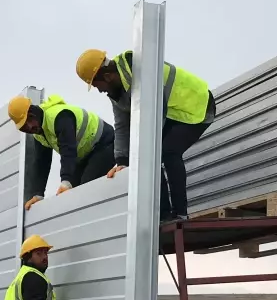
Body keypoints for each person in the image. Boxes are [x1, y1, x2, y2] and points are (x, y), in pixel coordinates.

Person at [74, 49, 217, 220]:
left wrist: (145, 147)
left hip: (198, 106)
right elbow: (121, 126)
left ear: (107, 76)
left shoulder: (143, 71)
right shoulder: (116, 91)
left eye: (97, 85)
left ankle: (180, 213)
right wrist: (121, 161)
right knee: (148, 156)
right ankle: (163, 215)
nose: (99, 91)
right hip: (172, 113)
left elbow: (158, 111)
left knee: (166, 152)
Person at [7, 94, 116, 211]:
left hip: (104, 144)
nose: (30, 127)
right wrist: (38, 194)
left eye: (30, 120)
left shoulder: (59, 116)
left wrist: (66, 181)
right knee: (70, 196)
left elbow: (68, 150)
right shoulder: (39, 133)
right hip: (84, 156)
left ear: (33, 112)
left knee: (84, 190)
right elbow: (41, 163)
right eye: (24, 128)